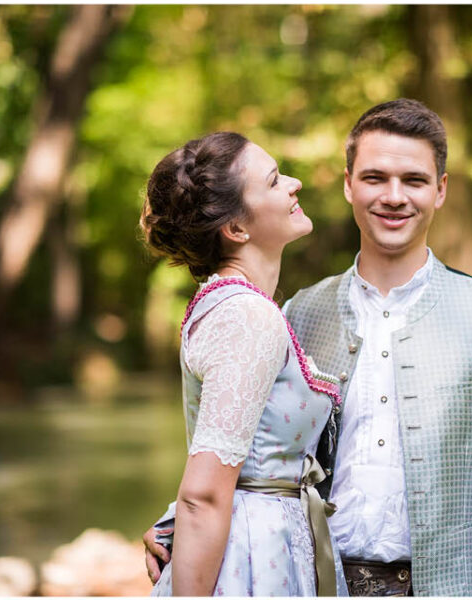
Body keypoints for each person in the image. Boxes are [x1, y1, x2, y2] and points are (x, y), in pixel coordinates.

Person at [146, 100, 472, 597]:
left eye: (414, 180)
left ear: (442, 190)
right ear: (348, 184)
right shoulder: (293, 314)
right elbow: (258, 449)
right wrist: (179, 522)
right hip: (317, 582)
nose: (394, 196)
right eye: (374, 178)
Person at [139, 131, 349, 596]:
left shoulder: (240, 307)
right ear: (236, 229)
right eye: (274, 181)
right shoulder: (245, 316)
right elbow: (205, 495)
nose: (294, 183)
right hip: (253, 559)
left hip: (269, 543)